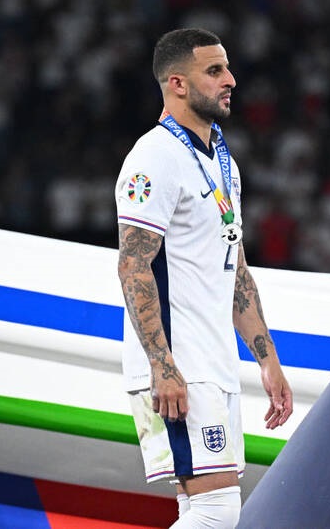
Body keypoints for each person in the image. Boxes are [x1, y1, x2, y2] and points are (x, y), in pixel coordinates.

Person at [115, 27, 294, 528]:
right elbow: (133, 264)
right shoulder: (154, 157)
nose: (230, 79)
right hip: (179, 362)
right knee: (217, 512)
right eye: (214, 71)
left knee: (199, 508)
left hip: (214, 361)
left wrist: (267, 360)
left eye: (227, 68)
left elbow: (235, 269)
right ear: (177, 83)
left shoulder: (222, 161)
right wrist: (162, 364)